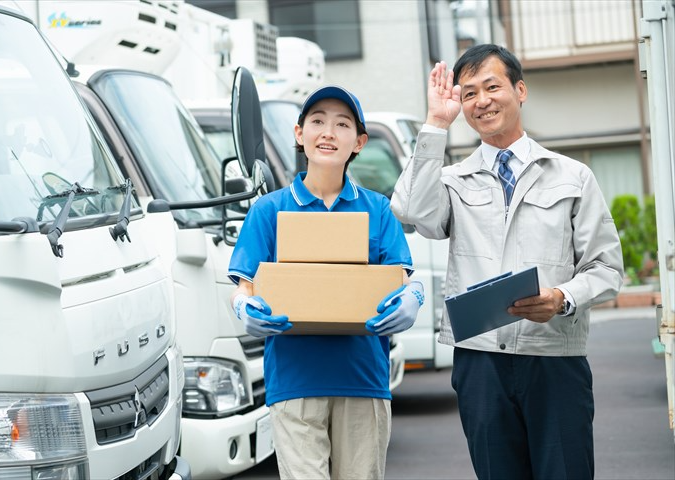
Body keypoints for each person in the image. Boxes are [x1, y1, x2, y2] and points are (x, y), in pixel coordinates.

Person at [391, 44, 624, 479]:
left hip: (554, 356)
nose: (481, 101)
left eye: (492, 86)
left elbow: (607, 268)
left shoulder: (572, 176)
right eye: (469, 93)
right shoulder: (451, 180)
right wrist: (436, 123)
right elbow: (408, 211)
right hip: (481, 363)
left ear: (520, 90)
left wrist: (561, 297)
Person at [228, 85, 424, 480]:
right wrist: (242, 306)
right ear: (299, 134)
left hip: (363, 380)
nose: (328, 132)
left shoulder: (378, 210)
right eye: (317, 121)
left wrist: (413, 298)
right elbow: (244, 283)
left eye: (342, 124)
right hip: (294, 381)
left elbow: (402, 279)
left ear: (360, 141)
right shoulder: (269, 210)